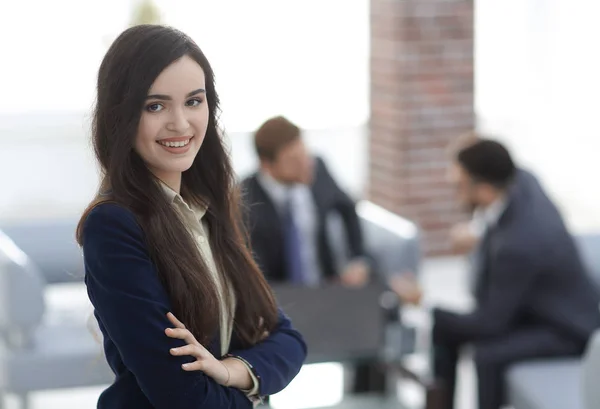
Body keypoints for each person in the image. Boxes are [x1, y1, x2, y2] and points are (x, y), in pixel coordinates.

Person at [76, 25, 306, 409]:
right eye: (155, 105)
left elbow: (289, 339)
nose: (180, 123)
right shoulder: (114, 226)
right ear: (121, 116)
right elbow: (183, 396)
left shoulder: (209, 207)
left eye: (194, 101)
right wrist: (254, 391)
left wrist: (230, 369)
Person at [391, 139, 600, 409]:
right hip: (538, 301)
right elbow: (498, 216)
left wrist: (423, 302)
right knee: (444, 328)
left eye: (459, 186)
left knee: (486, 353)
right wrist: (479, 230)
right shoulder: (521, 180)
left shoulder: (517, 246)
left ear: (485, 189)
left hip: (566, 328)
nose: (454, 193)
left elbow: (488, 324)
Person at [241, 116, 371, 287]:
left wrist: (357, 259)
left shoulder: (318, 169)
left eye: (305, 154)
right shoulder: (245, 202)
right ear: (267, 165)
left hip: (327, 286)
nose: (306, 164)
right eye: (294, 160)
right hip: (279, 297)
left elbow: (347, 208)